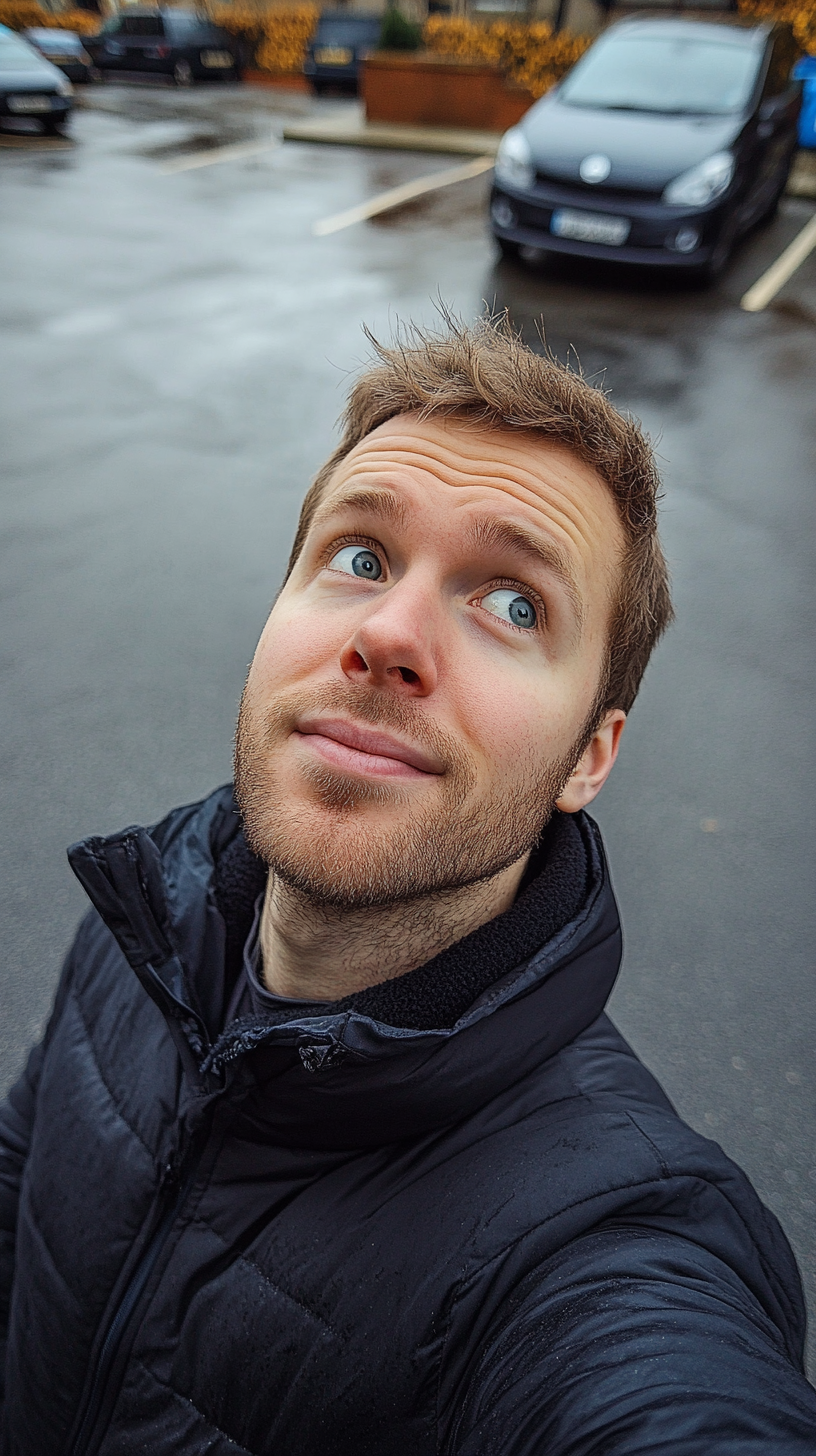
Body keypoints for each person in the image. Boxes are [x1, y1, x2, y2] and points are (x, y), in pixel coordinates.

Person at [1, 315, 814, 1456]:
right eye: (362, 557)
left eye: (515, 602)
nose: (390, 632)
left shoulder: (602, 1238)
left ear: (591, 753)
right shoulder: (144, 926)